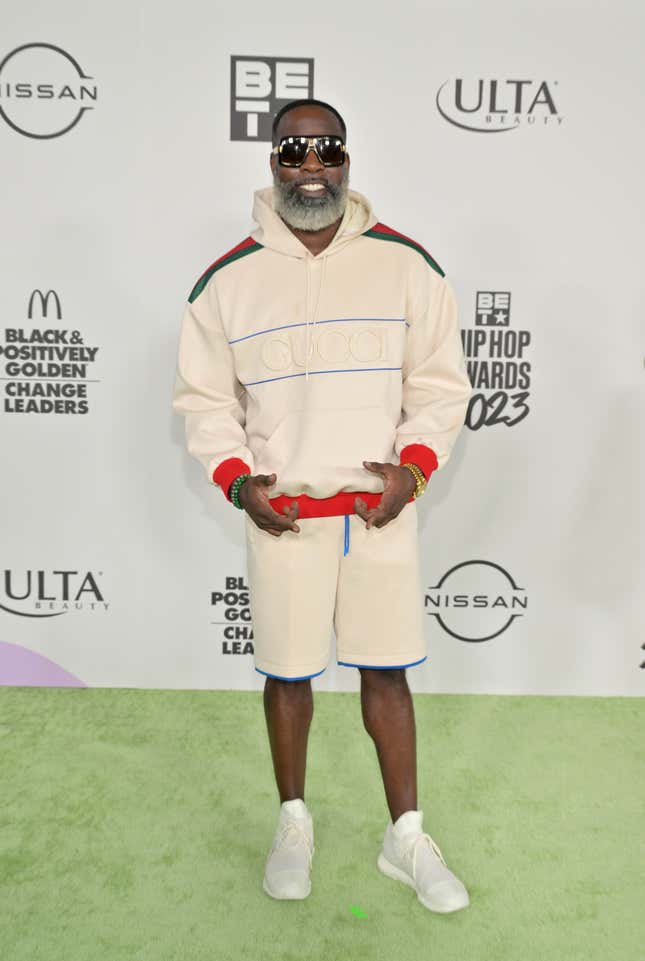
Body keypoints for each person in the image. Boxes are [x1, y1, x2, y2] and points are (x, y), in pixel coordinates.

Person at [172, 97, 472, 913]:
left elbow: (440, 387)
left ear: (348, 159)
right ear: (271, 161)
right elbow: (203, 402)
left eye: (327, 151)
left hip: (379, 510)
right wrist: (237, 481)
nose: (312, 168)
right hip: (288, 517)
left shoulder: (408, 265)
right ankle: (293, 819)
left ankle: (403, 834)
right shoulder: (226, 282)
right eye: (294, 151)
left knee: (387, 671)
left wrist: (412, 469)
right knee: (288, 674)